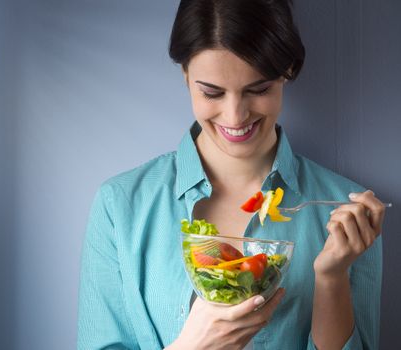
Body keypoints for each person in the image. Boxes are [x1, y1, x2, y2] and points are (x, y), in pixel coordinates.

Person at [77, 0, 385, 349]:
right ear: (185, 76)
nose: (235, 116)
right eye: (212, 92)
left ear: (287, 71)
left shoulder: (348, 215)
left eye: (258, 89)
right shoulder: (119, 206)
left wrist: (331, 279)